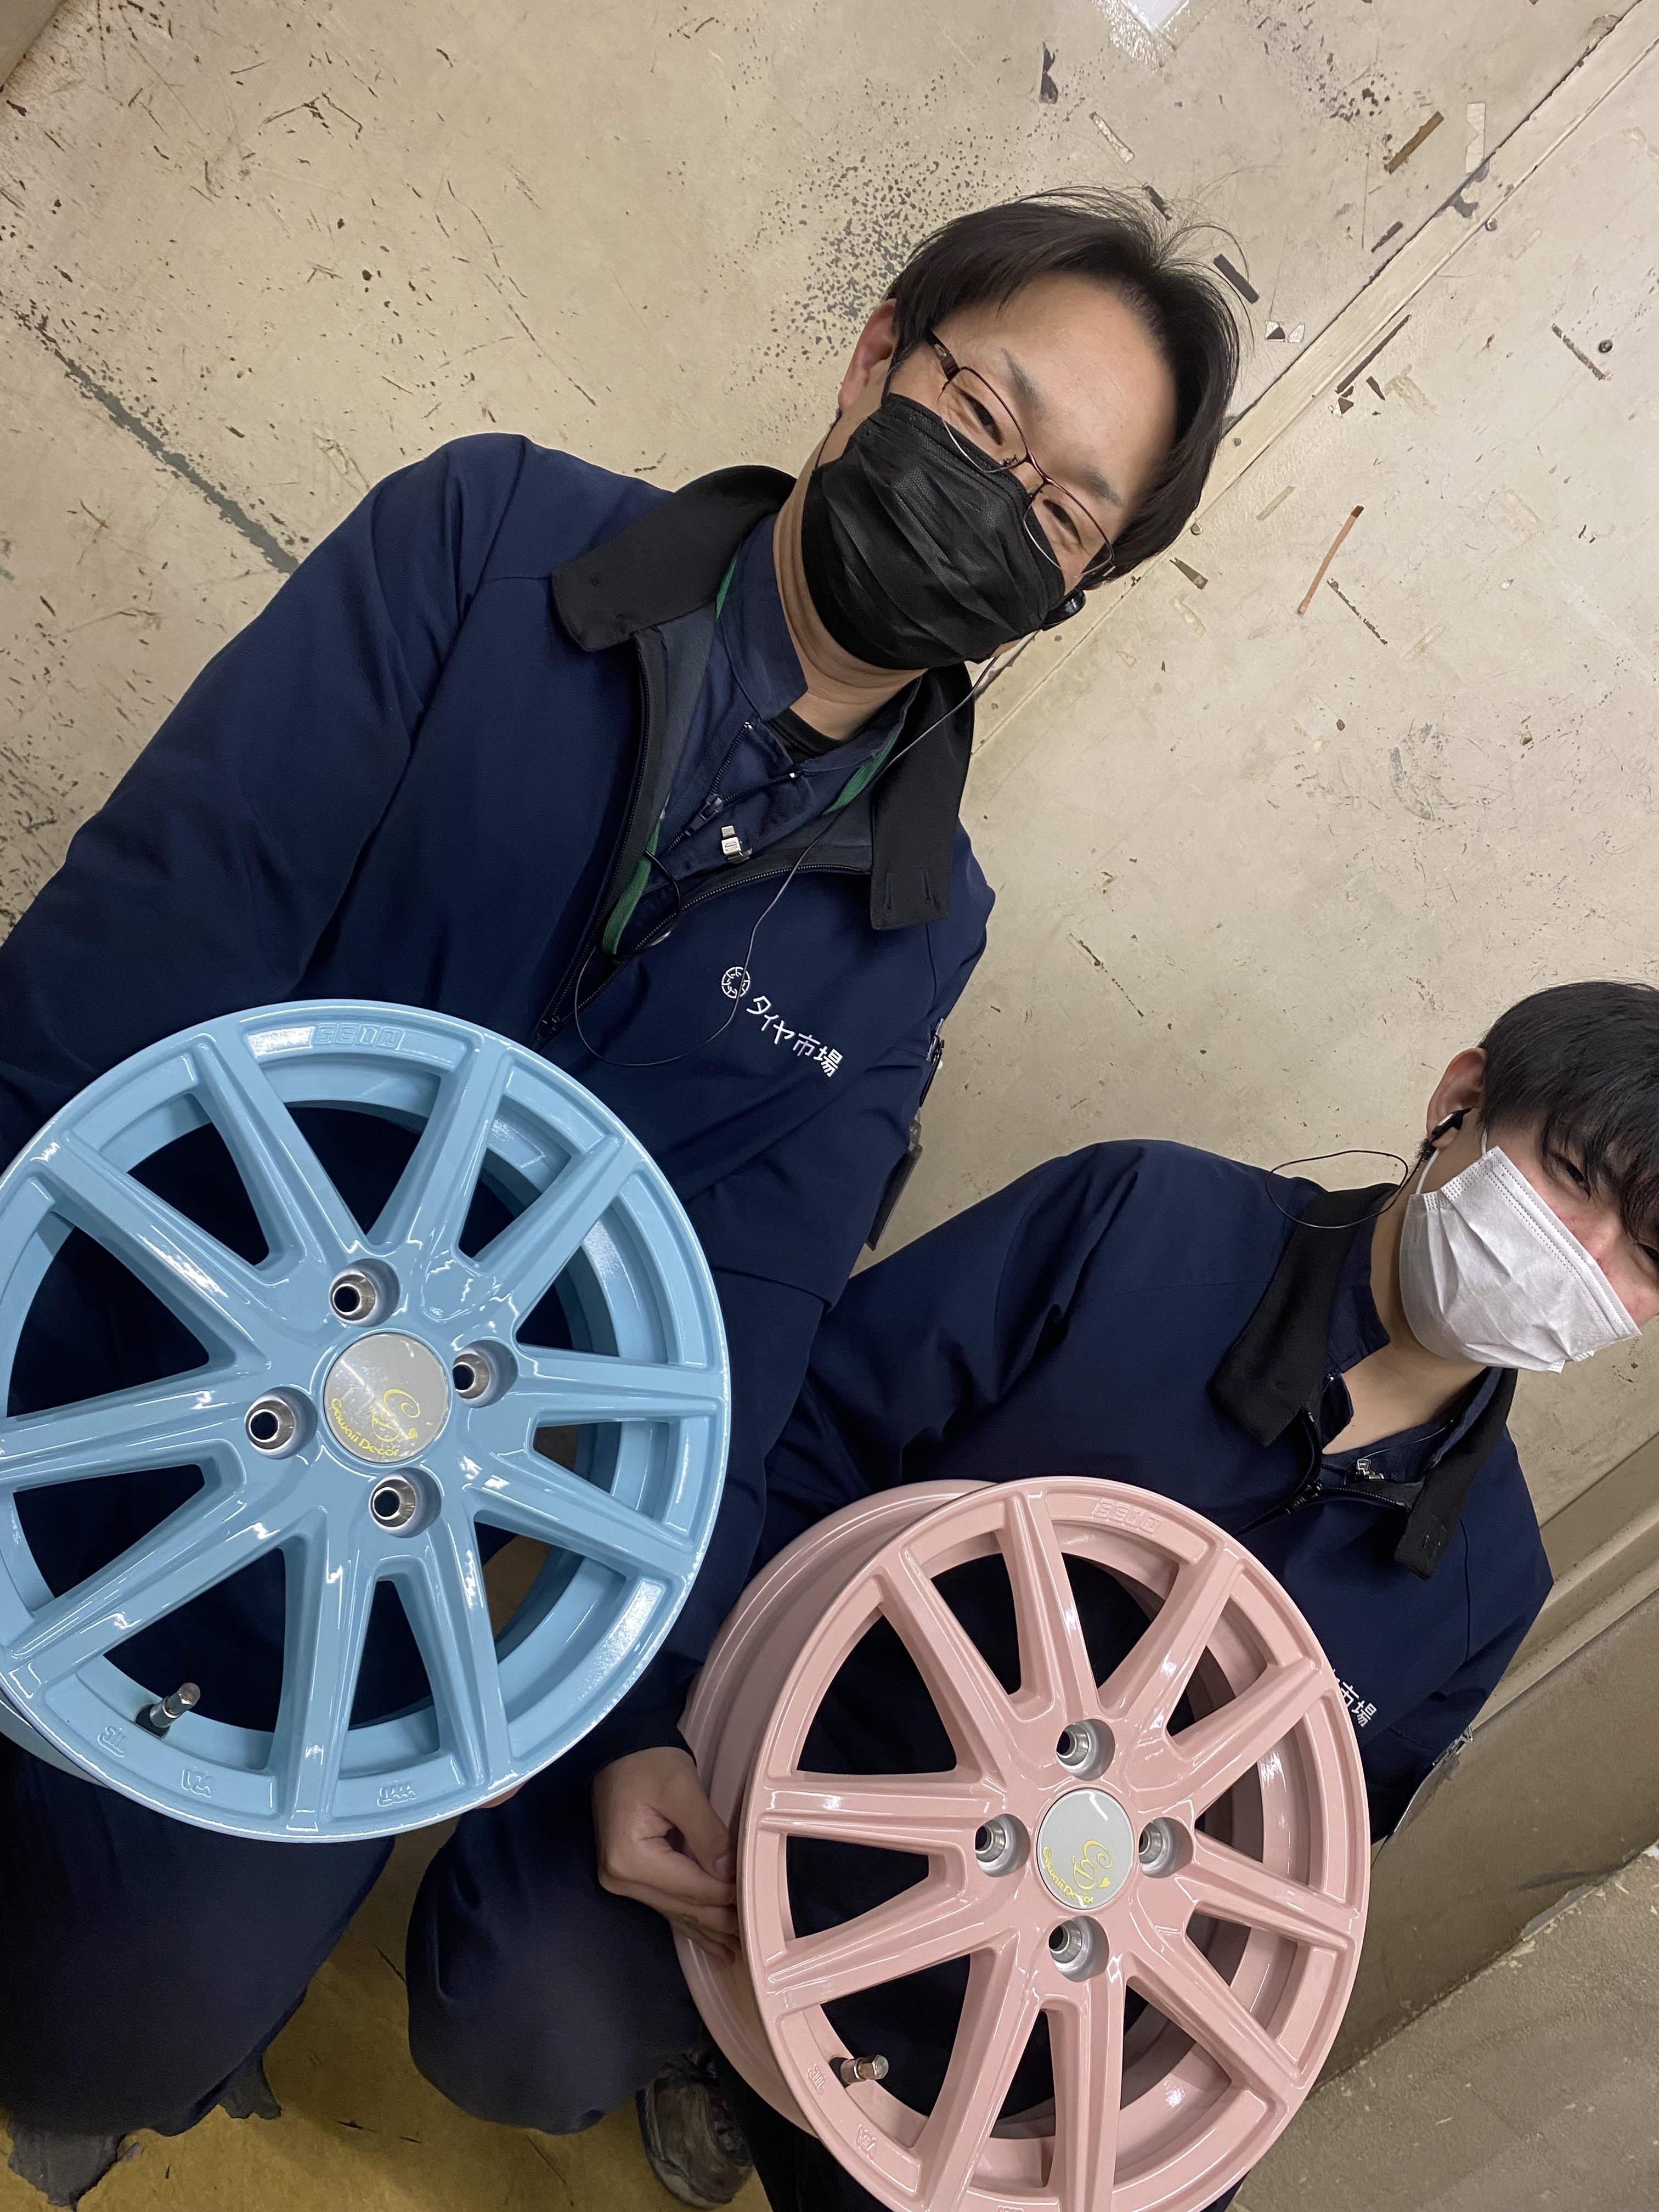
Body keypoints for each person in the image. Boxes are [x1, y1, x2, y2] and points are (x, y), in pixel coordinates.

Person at [0, 191, 1239, 2173]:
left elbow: (743, 1327)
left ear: (1069, 594)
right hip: (80, 1316)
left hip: (354, 1538)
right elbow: (156, 922)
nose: (990, 506)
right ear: (877, 353)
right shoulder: (492, 539)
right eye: (979, 417)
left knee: (118, 2025)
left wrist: (654, 1700)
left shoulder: (914, 934)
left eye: (1060, 512)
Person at [529, 980, 1655, 2210]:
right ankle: (688, 2053)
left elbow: (1284, 1895)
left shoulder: (1489, 1586)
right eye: (1571, 1176)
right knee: (515, 2013)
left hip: (992, 1996)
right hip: (753, 1796)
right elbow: (813, 1433)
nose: (1582, 1261)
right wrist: (648, 1720)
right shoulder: (1142, 1224)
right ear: (1461, 1100)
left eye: (1647, 1253)